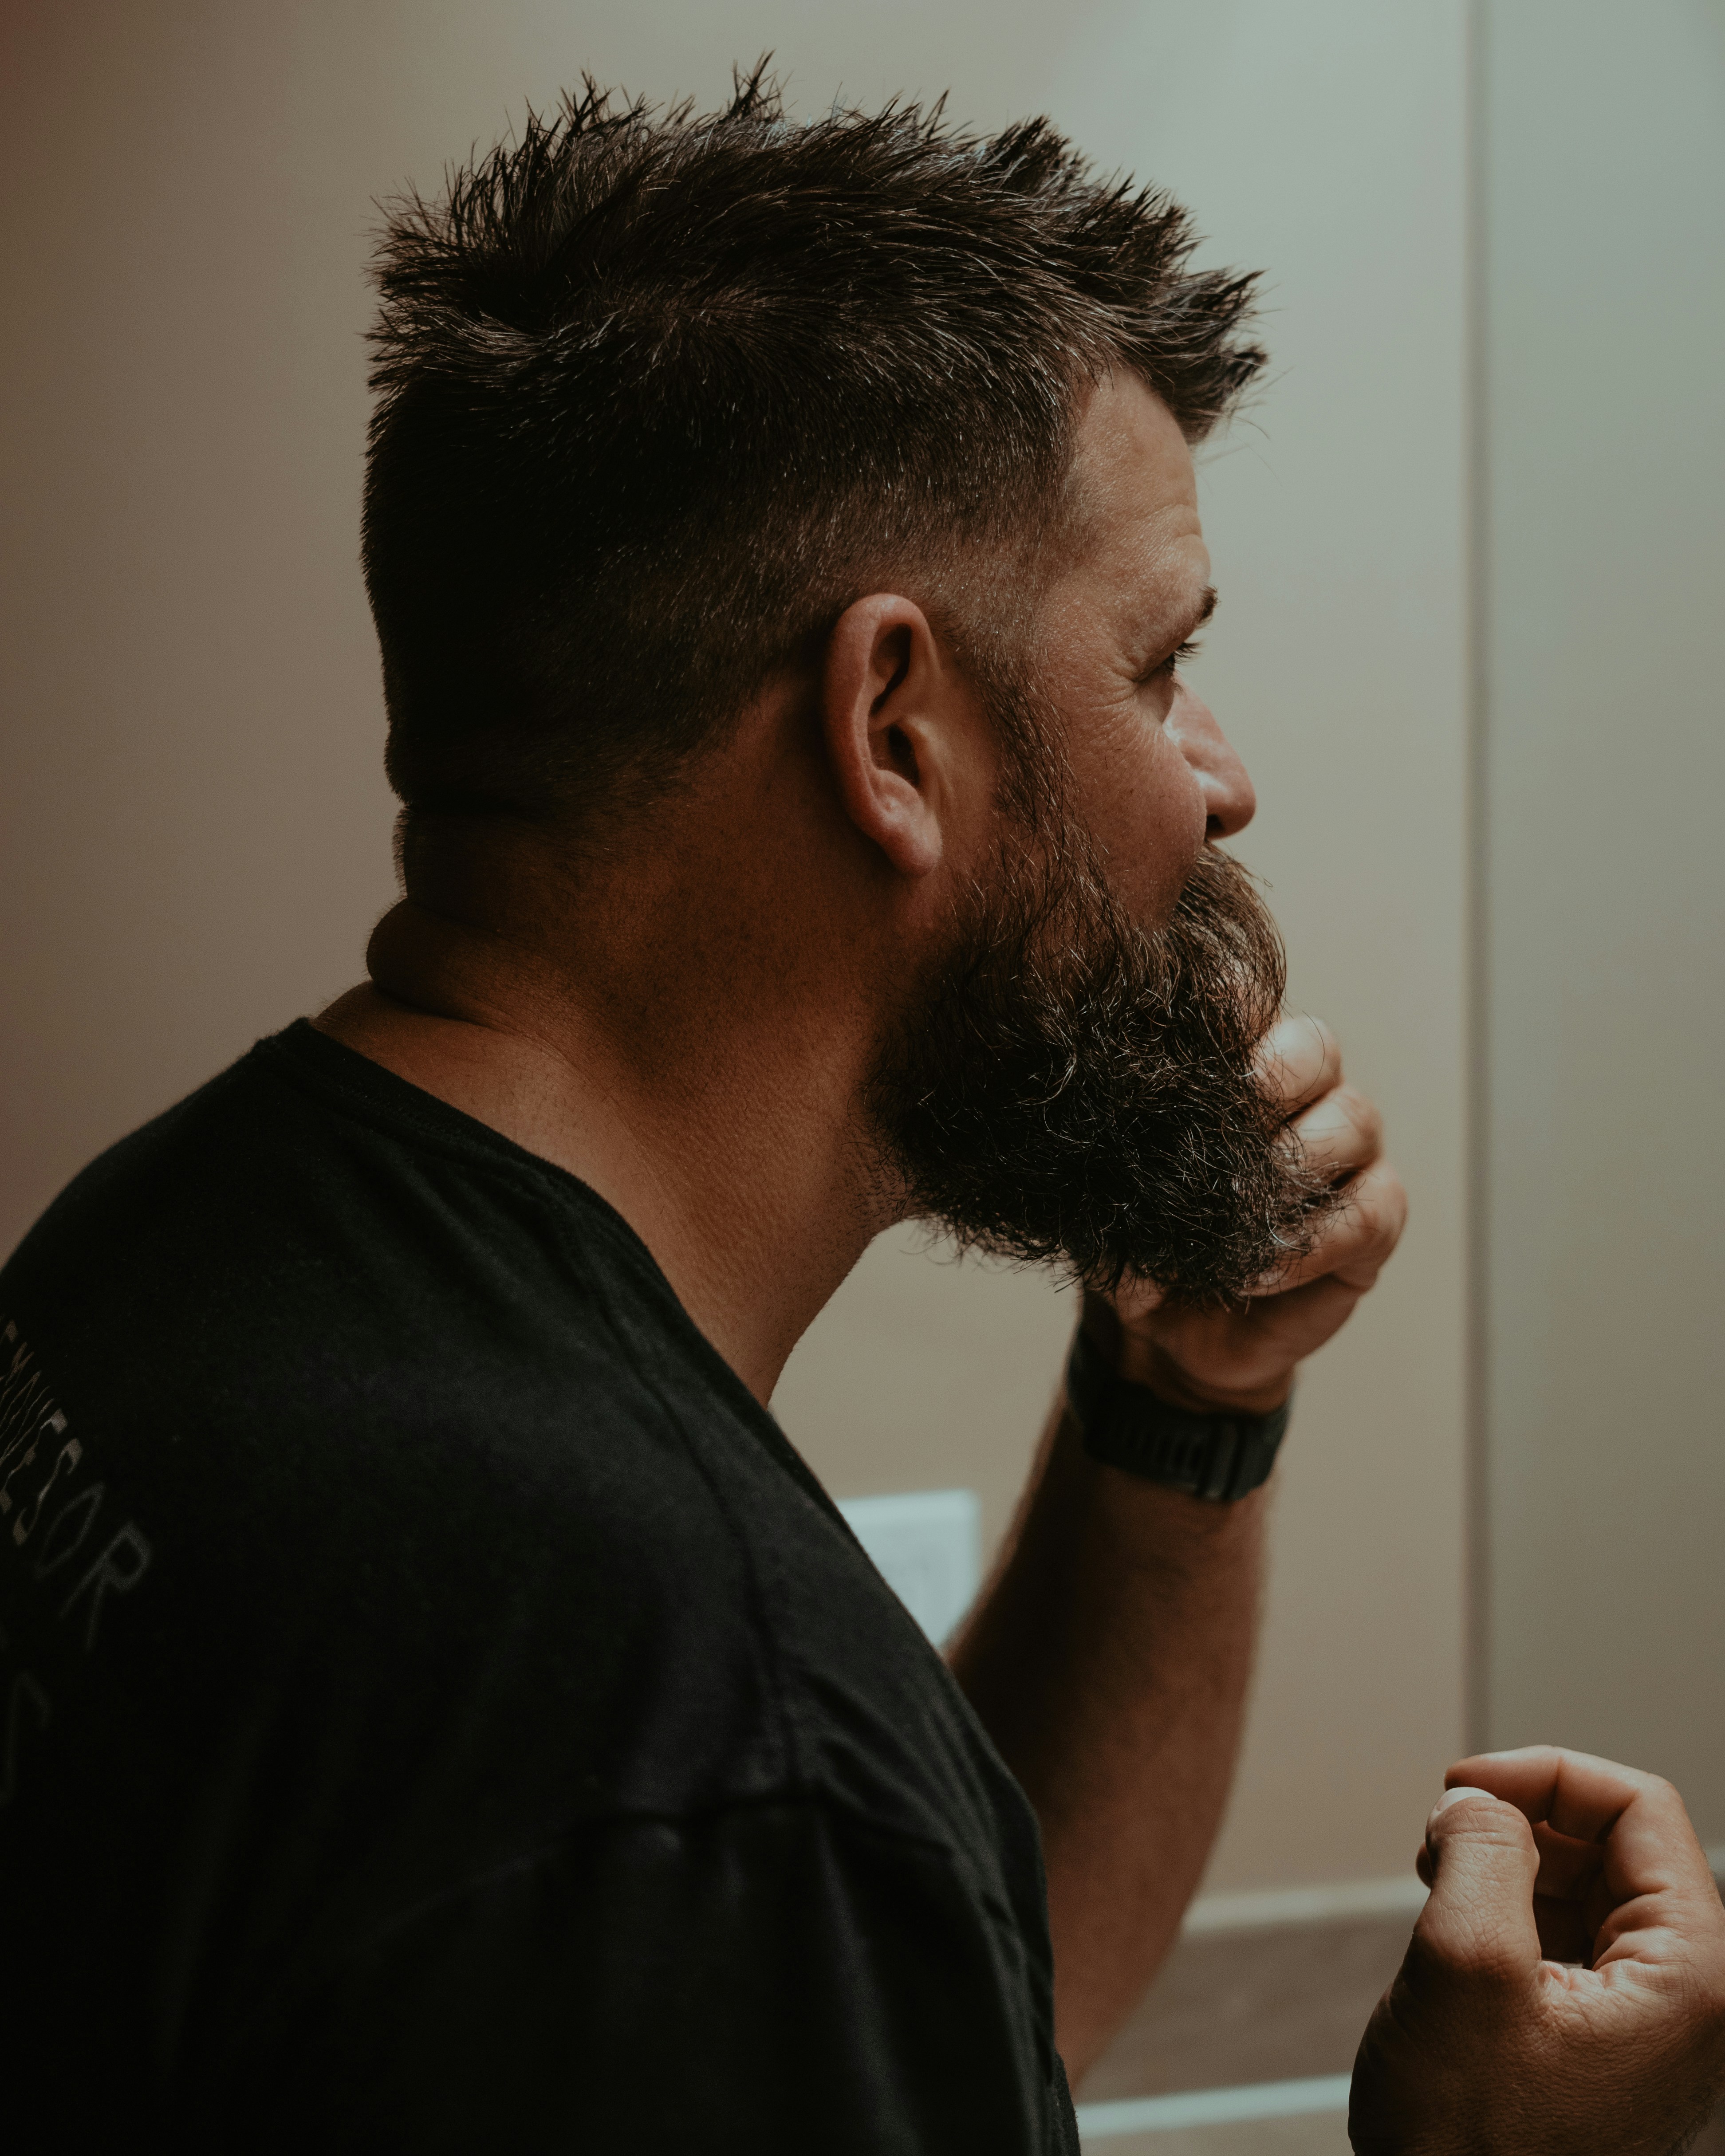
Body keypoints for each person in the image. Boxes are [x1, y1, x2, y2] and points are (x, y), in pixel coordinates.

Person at [0, 71, 1720, 2155]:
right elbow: (787, 1860)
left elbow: (939, 2001)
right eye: (1164, 660)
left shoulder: (172, 1245)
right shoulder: (678, 1721)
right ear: (890, 727)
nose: (1222, 776)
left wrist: (1181, 1410)